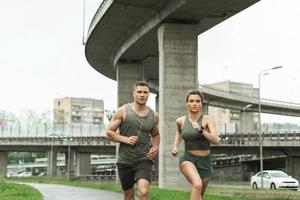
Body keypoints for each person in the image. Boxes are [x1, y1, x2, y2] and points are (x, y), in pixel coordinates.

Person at [106, 81, 160, 200]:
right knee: (128, 196)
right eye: (139, 92)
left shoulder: (154, 116)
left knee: (143, 192)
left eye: (145, 92)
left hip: (143, 159)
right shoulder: (123, 111)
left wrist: (155, 148)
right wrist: (125, 139)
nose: (142, 95)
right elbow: (109, 132)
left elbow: (155, 135)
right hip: (125, 161)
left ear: (148, 94)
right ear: (134, 94)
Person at [171, 89, 220, 200]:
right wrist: (175, 147)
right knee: (197, 185)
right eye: (191, 101)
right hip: (188, 159)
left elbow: (216, 140)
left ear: (201, 104)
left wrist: (201, 130)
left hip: (205, 162)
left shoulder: (207, 119)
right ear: (187, 103)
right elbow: (179, 132)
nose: (194, 103)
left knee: (199, 195)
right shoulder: (180, 121)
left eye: (197, 101)